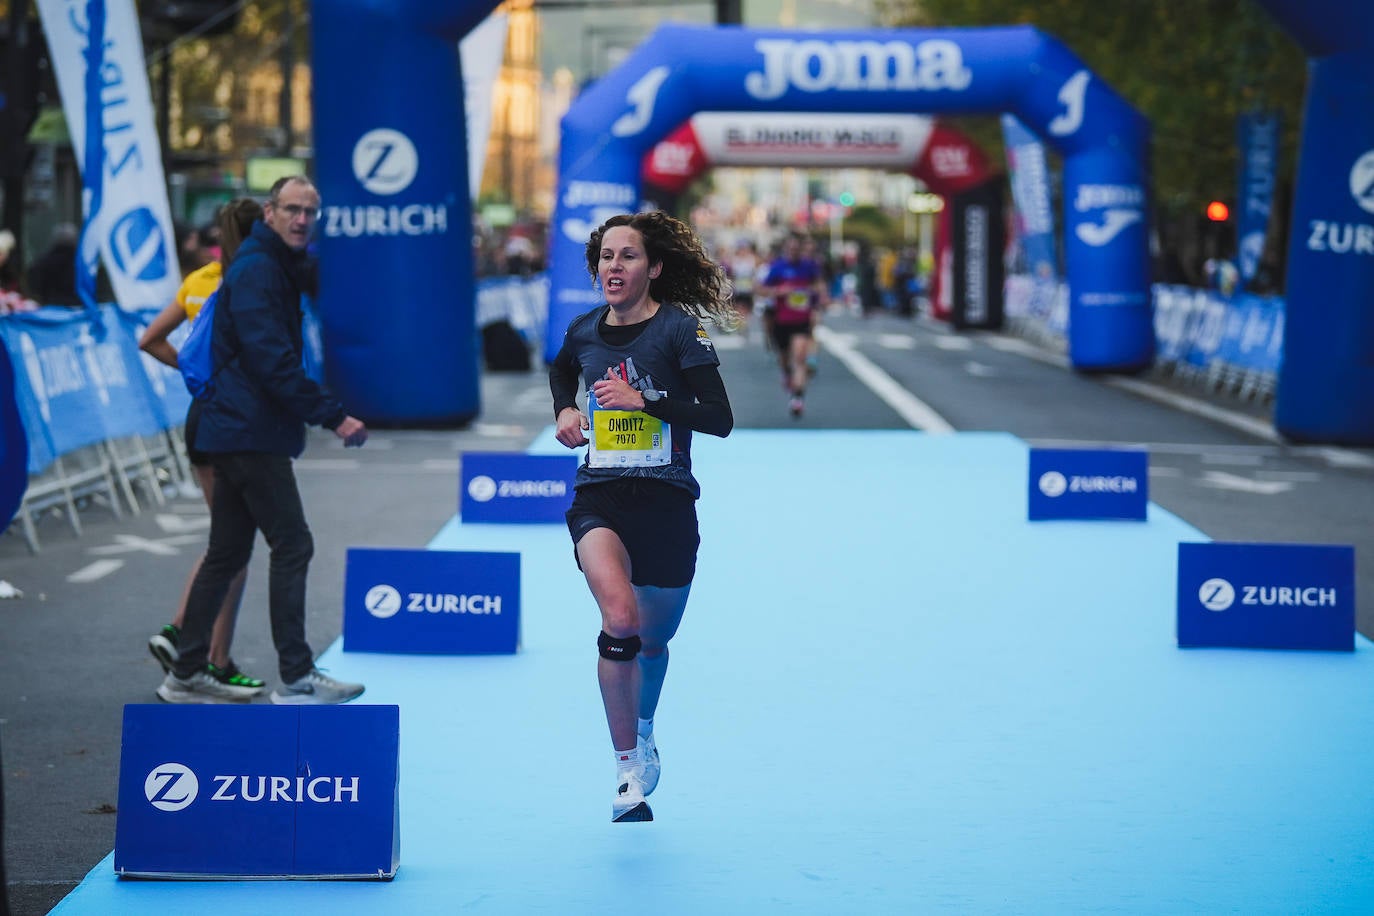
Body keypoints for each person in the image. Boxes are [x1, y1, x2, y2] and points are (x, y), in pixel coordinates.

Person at [549, 210, 735, 822]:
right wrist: (564, 414)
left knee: (653, 639)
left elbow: (719, 417)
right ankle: (627, 767)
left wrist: (647, 401)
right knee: (620, 617)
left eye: (628, 257)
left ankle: (646, 724)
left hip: (668, 502)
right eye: (606, 257)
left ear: (653, 268)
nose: (614, 267)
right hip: (599, 496)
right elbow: (561, 373)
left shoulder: (680, 331)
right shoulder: (582, 332)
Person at [155, 175, 370, 705]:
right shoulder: (256, 270)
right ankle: (297, 677)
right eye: (292, 209)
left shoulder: (270, 265)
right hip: (245, 430)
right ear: (270, 213)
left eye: (310, 212)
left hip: (233, 427)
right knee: (292, 543)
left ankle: (185, 674)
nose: (302, 220)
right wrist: (333, 416)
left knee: (226, 553)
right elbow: (269, 359)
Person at [140, 198, 265, 698]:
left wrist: (197, 377)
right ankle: (196, 645)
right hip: (236, 422)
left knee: (227, 540)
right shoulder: (252, 279)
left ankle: (200, 648)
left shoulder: (199, 280)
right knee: (231, 546)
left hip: (202, 416)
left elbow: (150, 339)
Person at [757, 233, 827, 417]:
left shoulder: (809, 266)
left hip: (801, 320)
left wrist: (820, 296)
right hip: (781, 321)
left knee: (799, 358)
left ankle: (797, 399)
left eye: (797, 248)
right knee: (784, 360)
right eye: (791, 248)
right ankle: (787, 375)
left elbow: (818, 284)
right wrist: (779, 291)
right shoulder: (778, 268)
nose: (794, 251)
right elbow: (761, 289)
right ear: (786, 249)